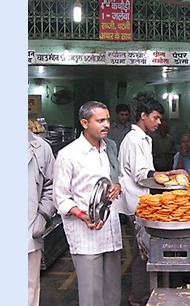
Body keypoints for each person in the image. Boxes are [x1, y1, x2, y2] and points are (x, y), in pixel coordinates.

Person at [117, 97, 188, 306]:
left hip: (142, 202)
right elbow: (141, 175)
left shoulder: (144, 138)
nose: (158, 122)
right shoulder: (134, 140)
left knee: (144, 252)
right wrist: (170, 174)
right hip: (136, 204)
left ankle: (143, 293)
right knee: (141, 254)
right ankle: (139, 297)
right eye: (156, 118)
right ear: (143, 116)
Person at [53, 101, 123, 306]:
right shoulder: (69, 155)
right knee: (92, 294)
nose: (107, 124)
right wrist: (83, 216)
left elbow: (116, 176)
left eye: (108, 119)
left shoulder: (108, 149)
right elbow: (61, 197)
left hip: (110, 230)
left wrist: (117, 186)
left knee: (112, 292)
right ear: (85, 122)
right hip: (86, 235)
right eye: (100, 120)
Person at [28, 129, 56, 306]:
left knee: (28, 288)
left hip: (28, 230)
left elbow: (52, 185)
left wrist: (43, 215)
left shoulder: (41, 149)